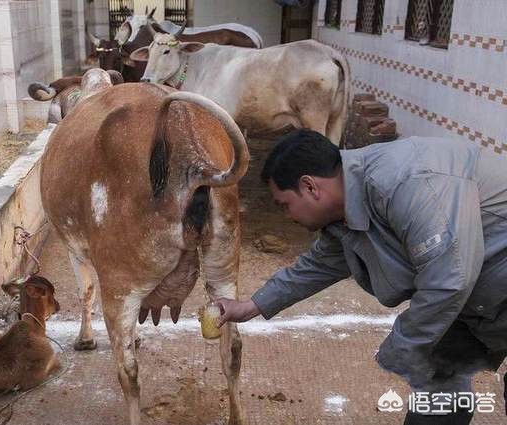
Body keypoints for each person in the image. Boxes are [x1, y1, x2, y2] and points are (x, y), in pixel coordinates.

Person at [215, 129, 507, 425]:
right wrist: (251, 305)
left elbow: (448, 280)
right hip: (481, 299)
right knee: (439, 382)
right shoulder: (347, 212)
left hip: (484, 286)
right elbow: (317, 265)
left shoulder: (404, 181)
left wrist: (401, 346)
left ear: (310, 187)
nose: (287, 216)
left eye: (284, 205)